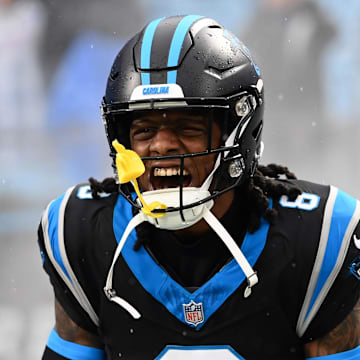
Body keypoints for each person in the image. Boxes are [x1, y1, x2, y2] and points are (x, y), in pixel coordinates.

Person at [37, 15, 360, 359]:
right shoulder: (83, 232)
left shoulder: (317, 238)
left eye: (188, 127)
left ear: (239, 134)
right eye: (143, 130)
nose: (160, 146)